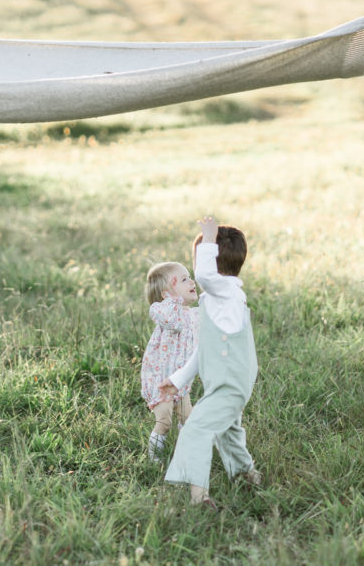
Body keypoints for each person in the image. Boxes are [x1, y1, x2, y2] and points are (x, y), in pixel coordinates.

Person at [159, 216, 261, 509]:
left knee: (196, 429)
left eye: (199, 257)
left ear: (210, 260)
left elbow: (204, 275)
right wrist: (177, 379)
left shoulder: (224, 292)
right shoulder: (220, 300)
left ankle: (199, 499)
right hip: (228, 385)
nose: (195, 271)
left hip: (229, 386)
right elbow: (204, 349)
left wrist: (208, 237)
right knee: (228, 433)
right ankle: (247, 477)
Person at [141, 261, 199, 462]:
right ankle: (154, 460)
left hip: (180, 381)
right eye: (184, 279)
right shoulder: (162, 310)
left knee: (188, 419)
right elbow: (171, 323)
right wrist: (174, 300)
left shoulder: (191, 314)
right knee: (164, 421)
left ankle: (184, 454)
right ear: (167, 294)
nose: (191, 281)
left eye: (189, 277)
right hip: (160, 380)